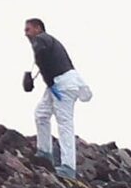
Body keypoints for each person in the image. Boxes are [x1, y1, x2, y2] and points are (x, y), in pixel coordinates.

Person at [22, 18, 93, 179]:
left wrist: (40, 77)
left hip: (63, 84)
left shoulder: (41, 39)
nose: (26, 34)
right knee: (41, 114)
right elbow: (44, 59)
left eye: (28, 29)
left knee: (64, 123)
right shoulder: (47, 42)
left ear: (38, 28)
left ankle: (68, 167)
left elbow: (41, 51)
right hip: (56, 84)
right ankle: (44, 153)